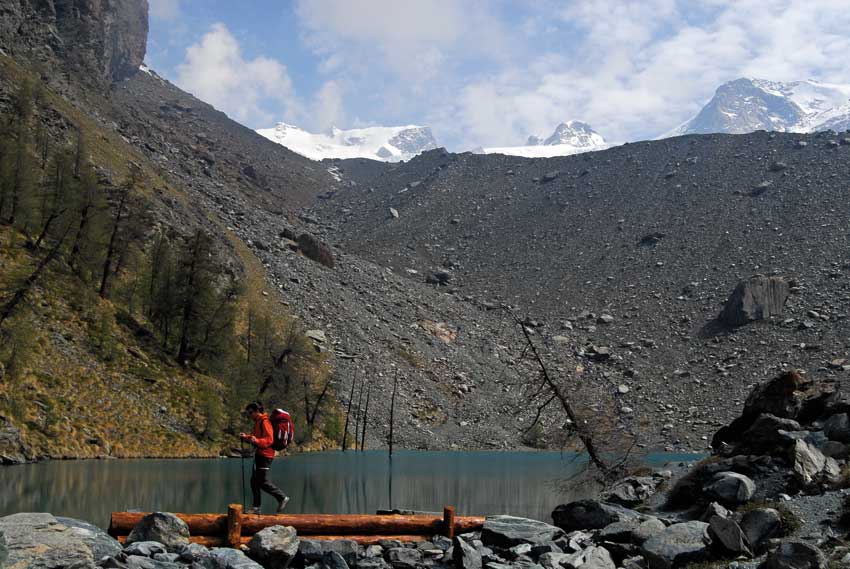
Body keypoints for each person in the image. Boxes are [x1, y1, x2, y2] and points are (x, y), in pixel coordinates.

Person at [240, 402, 289, 514]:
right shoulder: (258, 422)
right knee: (254, 481)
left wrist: (256, 441)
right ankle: (256, 508)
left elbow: (269, 439)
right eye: (248, 413)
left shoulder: (265, 421)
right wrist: (246, 437)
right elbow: (255, 437)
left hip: (266, 455)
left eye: (251, 412)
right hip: (260, 454)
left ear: (257, 411)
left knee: (262, 481)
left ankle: (281, 497)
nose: (250, 415)